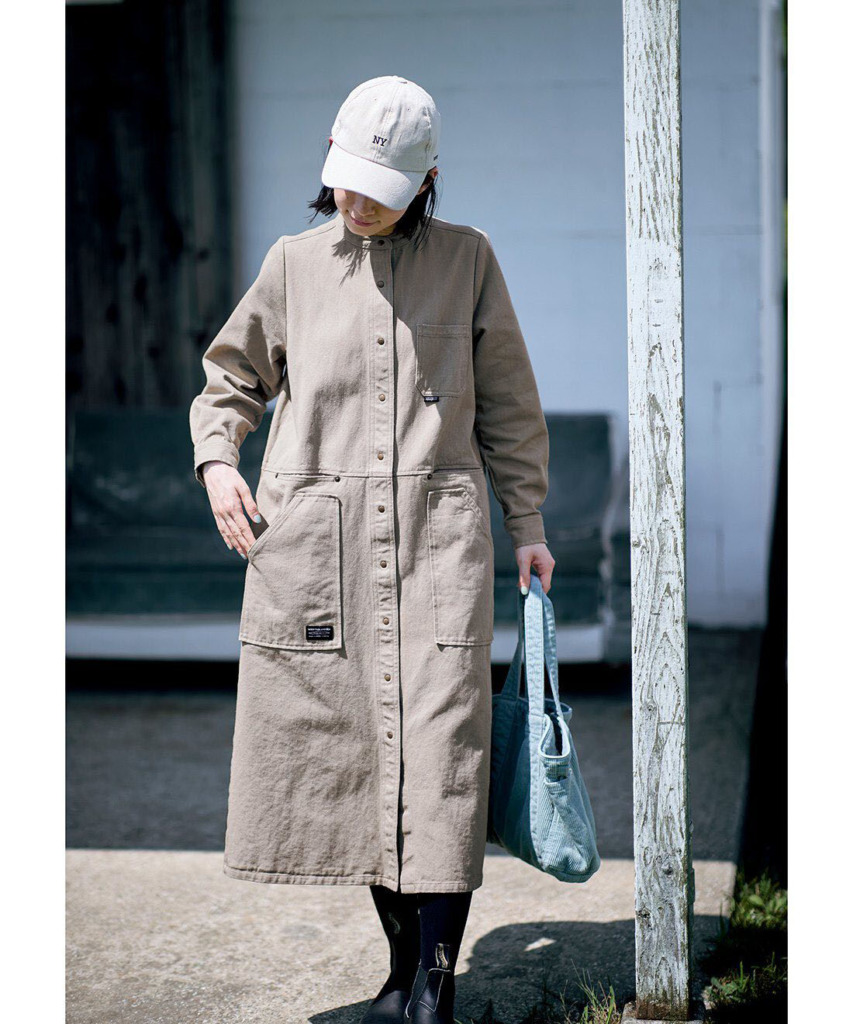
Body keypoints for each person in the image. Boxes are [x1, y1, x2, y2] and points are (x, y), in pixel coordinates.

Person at [189, 75, 555, 1024]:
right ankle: (400, 981)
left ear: (426, 180)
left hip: (438, 555)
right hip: (322, 560)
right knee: (355, 762)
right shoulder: (292, 264)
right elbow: (230, 379)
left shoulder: (469, 260)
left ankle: (432, 990)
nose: (357, 204)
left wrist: (527, 524)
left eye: (381, 192)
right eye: (347, 182)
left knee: (441, 762)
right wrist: (219, 461)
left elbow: (508, 404)